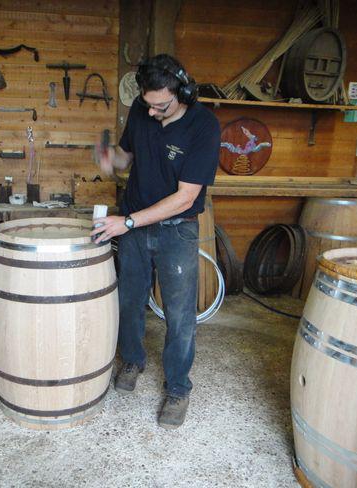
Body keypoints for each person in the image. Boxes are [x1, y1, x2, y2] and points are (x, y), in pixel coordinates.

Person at [91, 54, 220, 429]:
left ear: (183, 93)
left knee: (179, 314)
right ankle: (132, 360)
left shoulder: (204, 126)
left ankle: (178, 388)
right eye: (147, 104)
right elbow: (125, 157)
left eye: (160, 106)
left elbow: (185, 198)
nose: (151, 113)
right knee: (129, 300)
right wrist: (108, 158)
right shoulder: (141, 108)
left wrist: (127, 222)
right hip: (132, 226)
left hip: (176, 229)